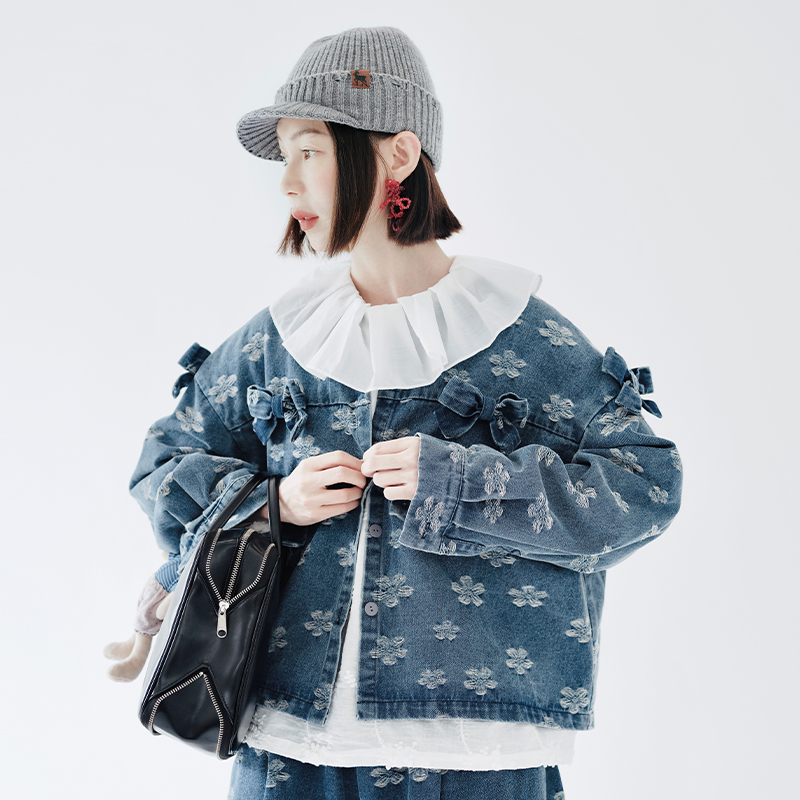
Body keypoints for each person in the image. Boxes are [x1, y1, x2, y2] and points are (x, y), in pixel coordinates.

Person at [130, 26, 682, 800]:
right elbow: (164, 466)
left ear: (397, 154)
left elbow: (644, 487)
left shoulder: (525, 338)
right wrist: (275, 501)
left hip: (478, 747)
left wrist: (465, 484)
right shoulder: (280, 340)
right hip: (284, 739)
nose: (287, 184)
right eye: (285, 157)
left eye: (309, 151)